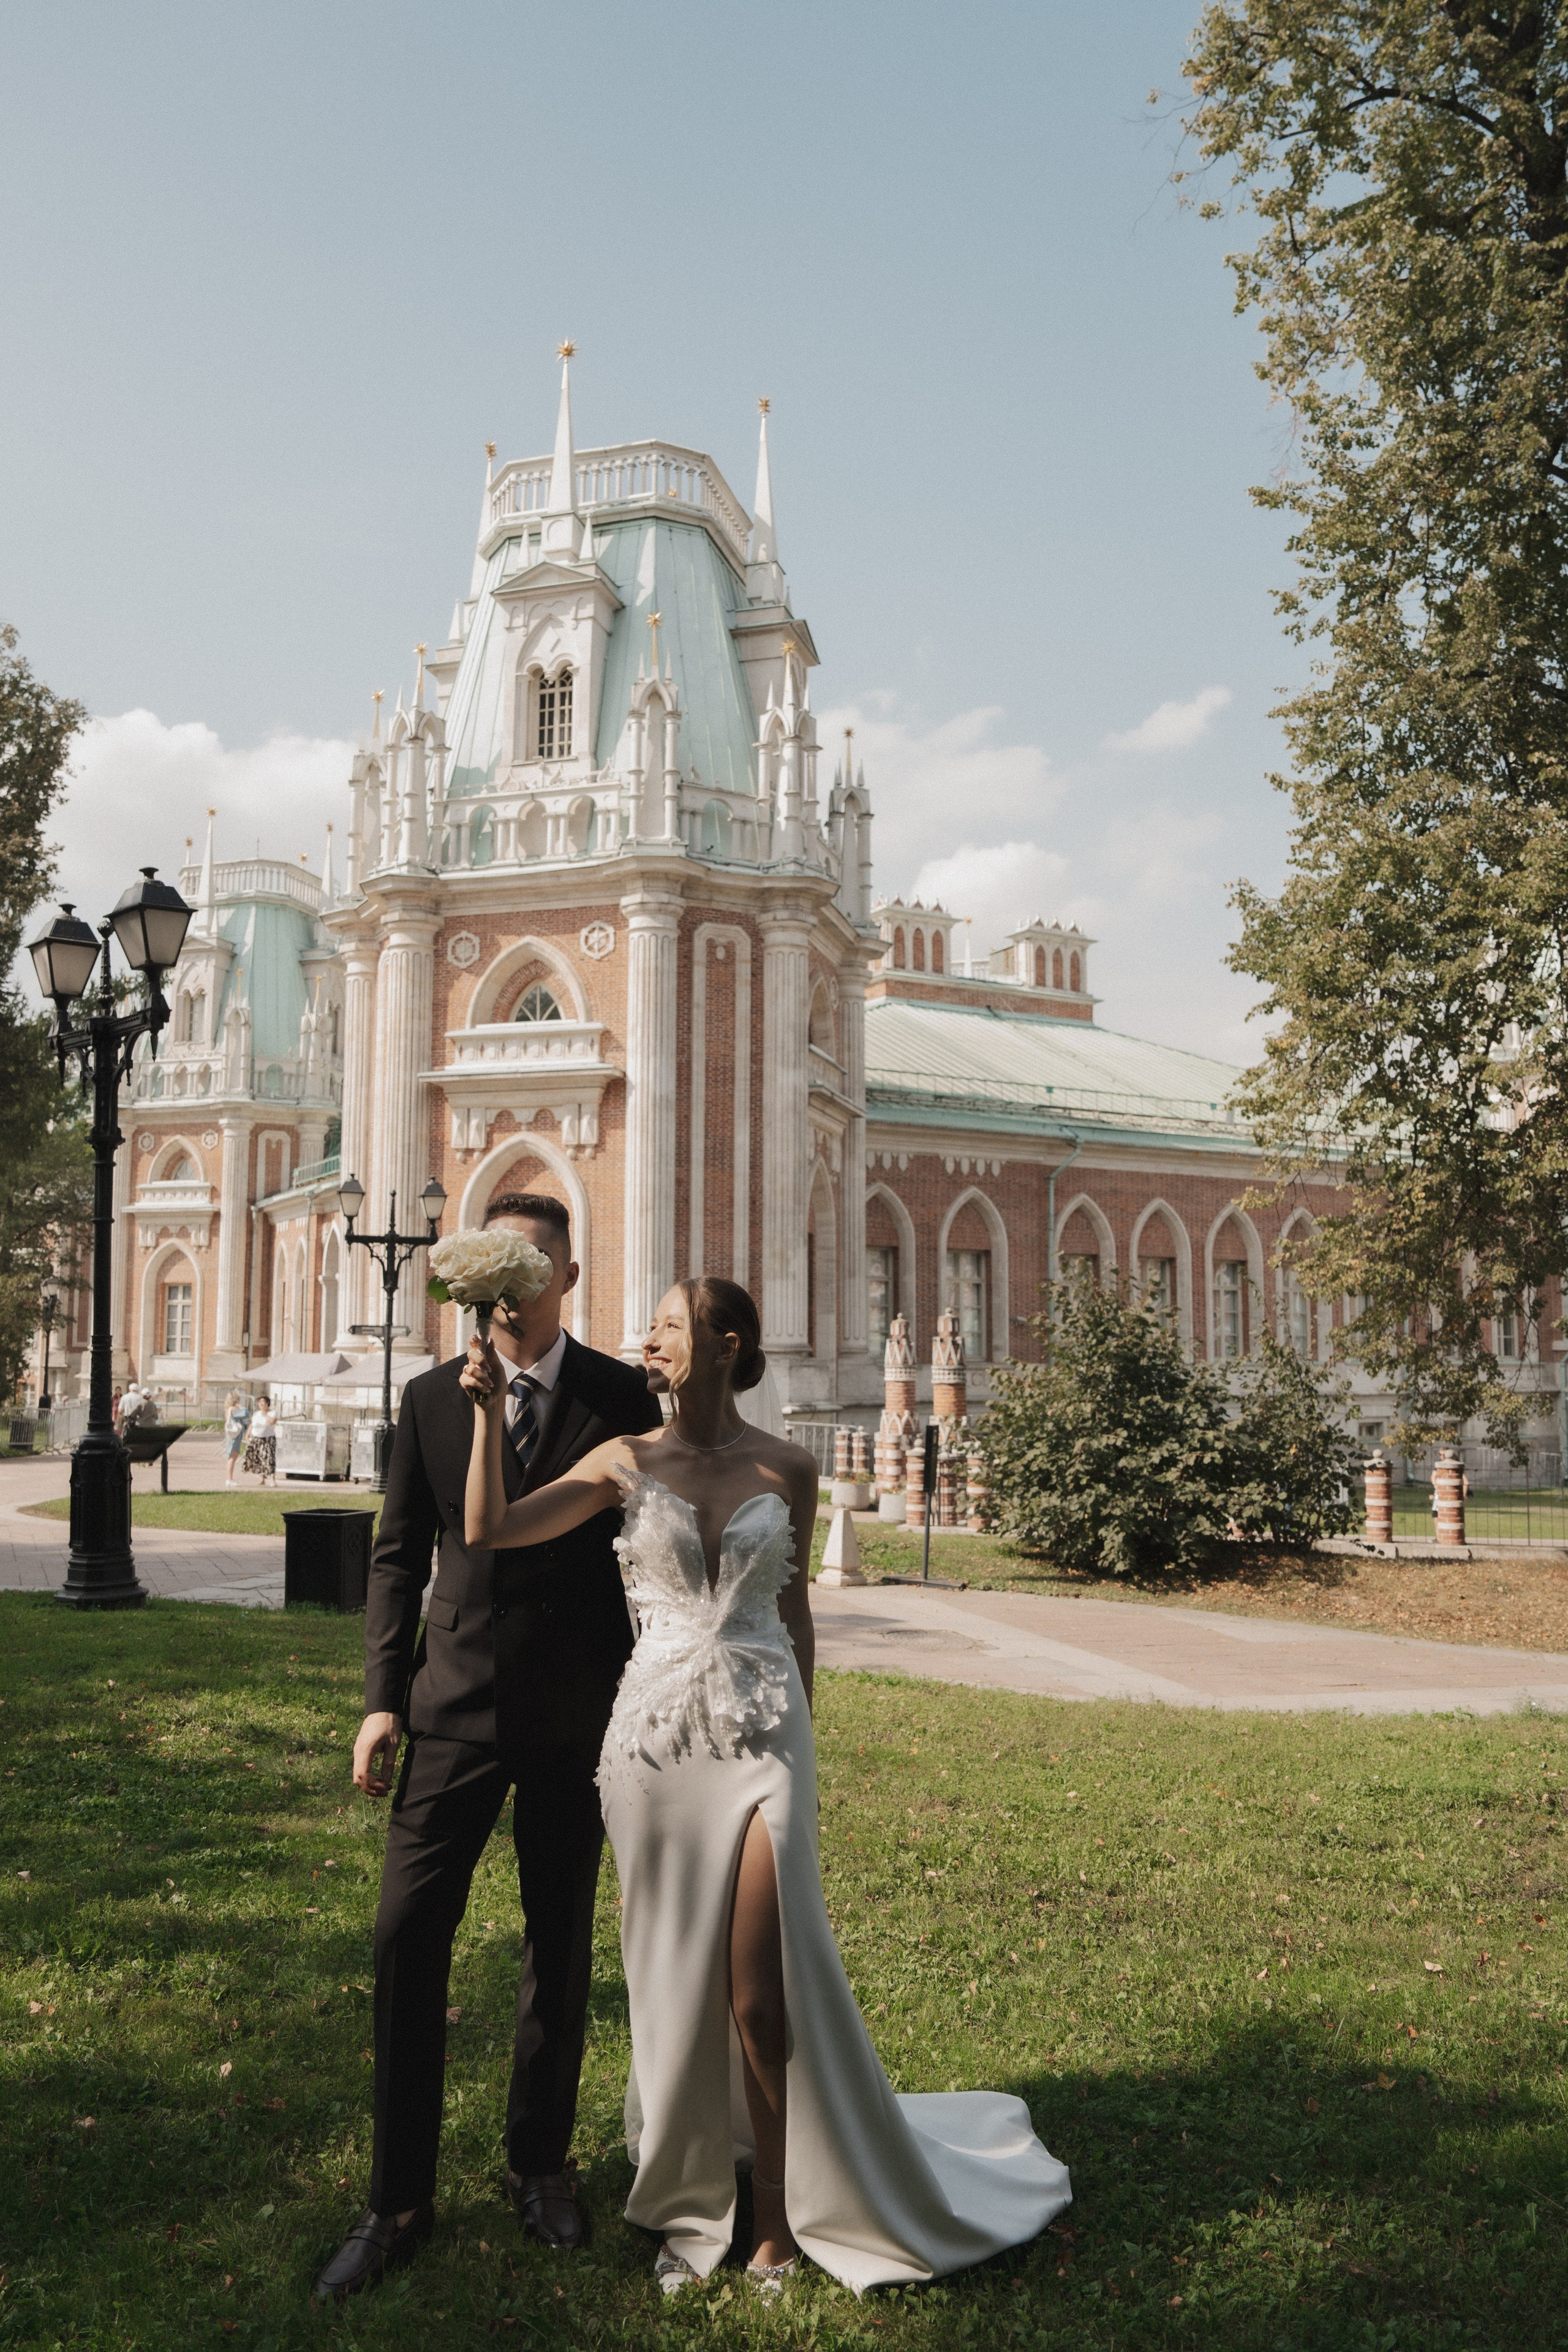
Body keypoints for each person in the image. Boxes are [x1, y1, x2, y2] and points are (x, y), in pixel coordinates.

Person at [458, 1276, 1071, 2299]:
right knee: (667, 1981)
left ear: (724, 1341)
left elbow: (795, 1615)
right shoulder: (623, 1459)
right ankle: (688, 2200)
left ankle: (780, 2221)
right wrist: (485, 1418)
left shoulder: (786, 1466)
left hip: (765, 1731)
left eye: (666, 1324)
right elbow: (491, 1528)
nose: (645, 1338)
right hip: (655, 1741)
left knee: (758, 1990)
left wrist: (805, 1735)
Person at [313, 1194, 663, 2305]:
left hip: (577, 1711)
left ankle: (540, 2166)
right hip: (449, 1706)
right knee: (408, 1937)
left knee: (554, 1947)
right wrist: (381, 1698)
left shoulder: (618, 1394)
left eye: (537, 1263)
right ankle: (396, 2198)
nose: (516, 1286)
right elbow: (394, 1553)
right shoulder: (426, 1397)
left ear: (566, 1273)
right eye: (500, 1263)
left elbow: (646, 1547)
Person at [241, 1396, 276, 1485]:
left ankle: (272, 1479)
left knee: (269, 1459)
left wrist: (265, 1414)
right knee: (258, 1459)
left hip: (268, 1439)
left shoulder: (272, 1413)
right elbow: (252, 1424)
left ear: (267, 1403)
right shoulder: (257, 1414)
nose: (261, 1404)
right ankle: (262, 1479)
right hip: (257, 1438)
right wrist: (247, 1434)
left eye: (263, 1402)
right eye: (259, 1402)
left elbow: (273, 1422)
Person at [222, 1390, 252, 1487]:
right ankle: (229, 1479)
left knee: (232, 1457)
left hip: (232, 1435)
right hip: (235, 1436)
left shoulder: (228, 1409)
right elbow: (247, 1414)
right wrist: (241, 1406)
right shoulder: (234, 1409)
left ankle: (229, 1478)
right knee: (233, 1457)